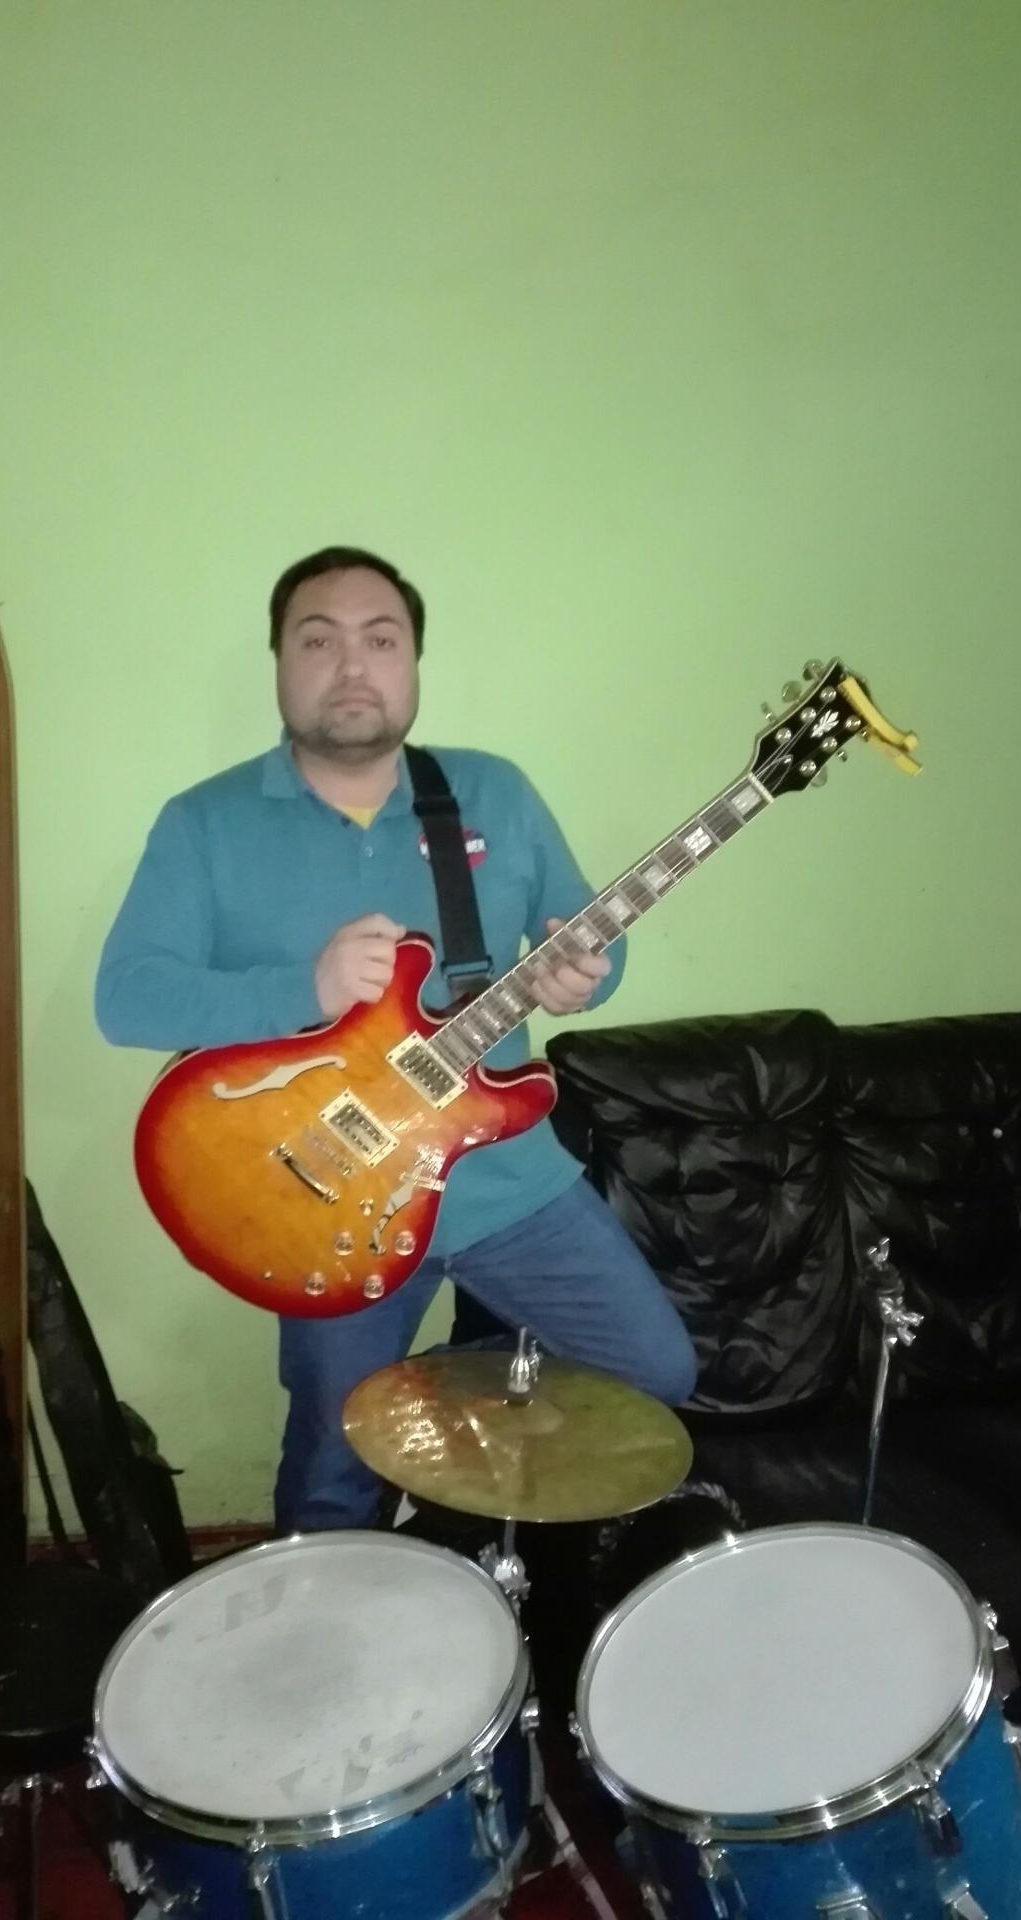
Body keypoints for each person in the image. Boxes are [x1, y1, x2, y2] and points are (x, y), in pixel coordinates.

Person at [96, 546, 698, 1531]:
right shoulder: (204, 824)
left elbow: (592, 936)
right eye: (318, 640)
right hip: (327, 1202)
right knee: (330, 1473)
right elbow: (127, 999)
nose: (352, 666)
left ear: (413, 662)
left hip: (508, 1181)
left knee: (654, 1371)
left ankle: (451, 1465)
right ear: (279, 661)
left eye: (382, 640)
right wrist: (304, 987)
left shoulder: (495, 793)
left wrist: (588, 970)